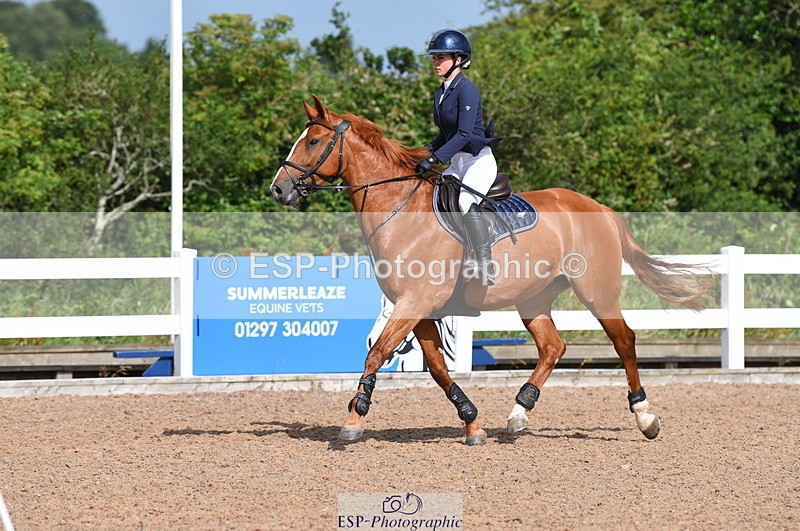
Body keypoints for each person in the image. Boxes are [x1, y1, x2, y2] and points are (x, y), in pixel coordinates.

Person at [417, 28, 501, 286]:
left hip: (478, 161)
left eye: (440, 58)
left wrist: (435, 160)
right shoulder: (440, 93)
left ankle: (485, 263)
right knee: (432, 196)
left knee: (465, 201)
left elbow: (464, 134)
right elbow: (445, 134)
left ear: (459, 60)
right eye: (434, 58)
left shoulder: (467, 90)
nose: (435, 62)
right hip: (458, 163)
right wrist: (425, 152)